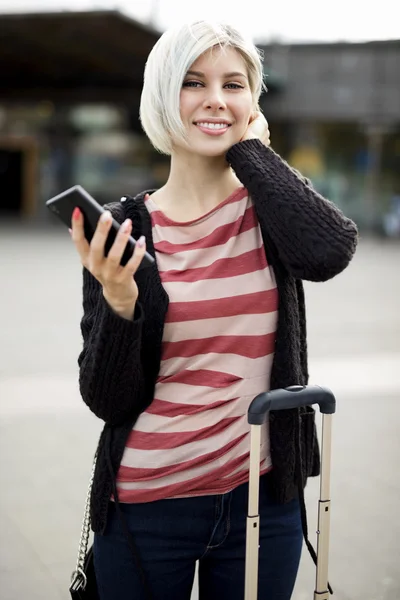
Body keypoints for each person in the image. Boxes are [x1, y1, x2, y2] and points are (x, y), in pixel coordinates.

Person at [70, 20, 358, 600]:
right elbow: (107, 400)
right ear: (162, 96)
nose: (216, 100)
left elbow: (329, 252)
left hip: (264, 500)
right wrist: (121, 301)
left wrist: (252, 152)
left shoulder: (272, 213)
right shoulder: (126, 229)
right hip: (148, 508)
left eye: (235, 85)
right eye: (194, 82)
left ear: (255, 103)